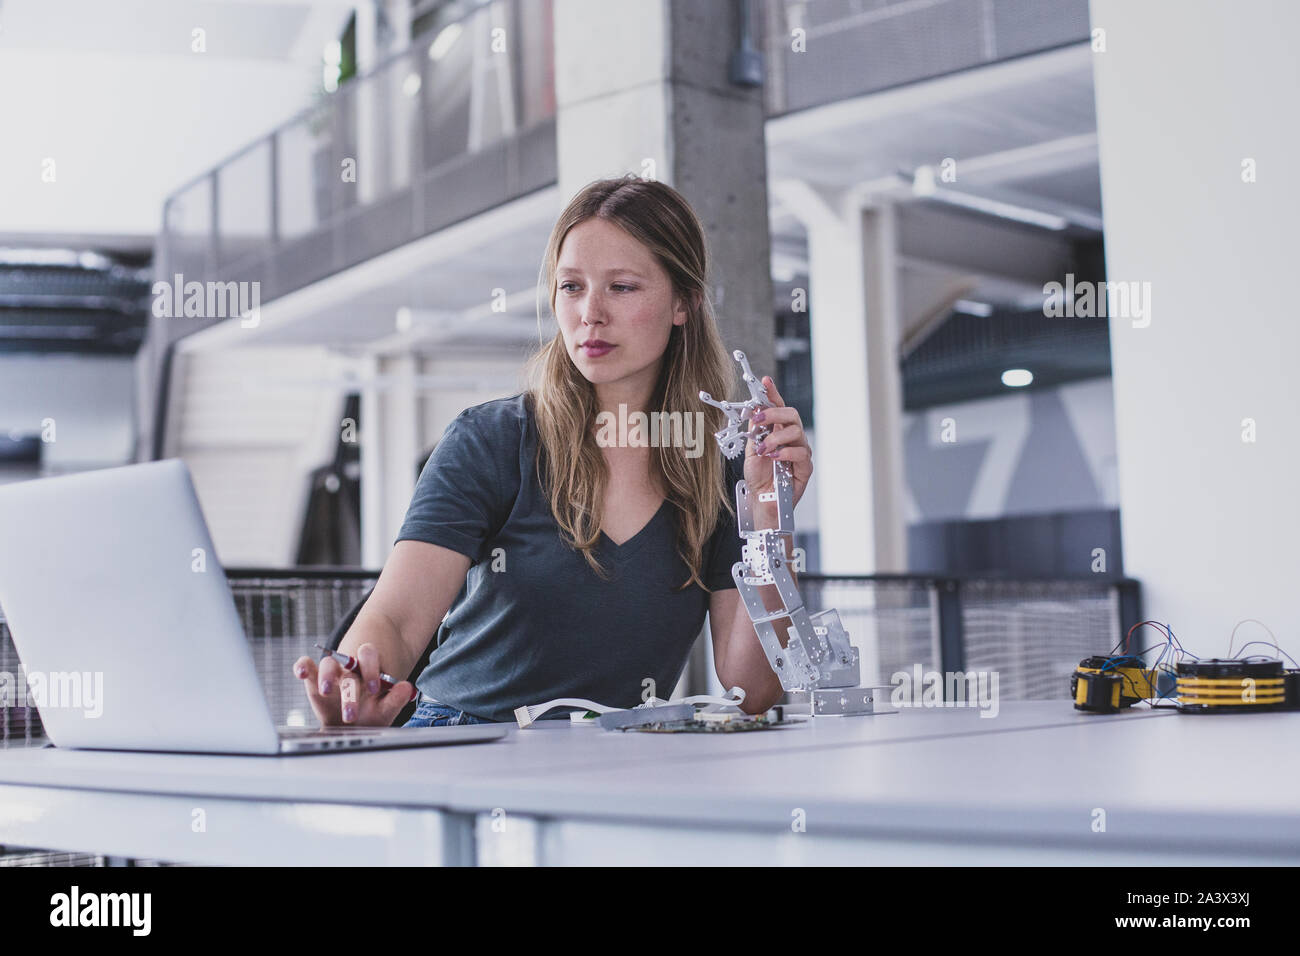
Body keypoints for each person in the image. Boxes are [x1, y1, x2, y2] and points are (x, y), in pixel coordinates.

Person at [292, 175, 815, 727]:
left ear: (682, 302)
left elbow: (751, 690)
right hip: (464, 742)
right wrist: (359, 681)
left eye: (622, 287)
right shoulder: (490, 441)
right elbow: (396, 619)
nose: (590, 313)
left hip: (620, 762)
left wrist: (768, 517)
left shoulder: (722, 459)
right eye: (571, 287)